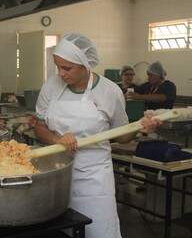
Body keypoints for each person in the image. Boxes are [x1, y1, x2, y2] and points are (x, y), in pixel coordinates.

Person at [34, 34, 161, 238]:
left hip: (94, 177)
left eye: (67, 68)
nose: (61, 73)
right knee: (60, 231)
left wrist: (140, 127)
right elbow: (39, 128)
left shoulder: (109, 92)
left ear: (85, 65)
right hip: (57, 175)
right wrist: (58, 140)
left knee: (99, 231)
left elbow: (122, 137)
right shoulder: (51, 86)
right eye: (58, 66)